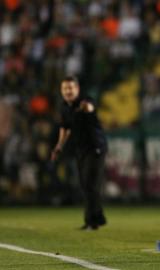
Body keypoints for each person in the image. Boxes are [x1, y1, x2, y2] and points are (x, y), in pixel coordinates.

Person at [51, 76, 108, 230]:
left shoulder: (85, 100)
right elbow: (65, 128)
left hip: (95, 147)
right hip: (81, 149)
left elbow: (90, 107)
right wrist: (59, 147)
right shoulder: (64, 107)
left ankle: (92, 221)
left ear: (77, 89)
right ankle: (96, 219)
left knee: (91, 184)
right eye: (65, 88)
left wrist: (87, 107)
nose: (68, 91)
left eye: (71, 88)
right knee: (85, 185)